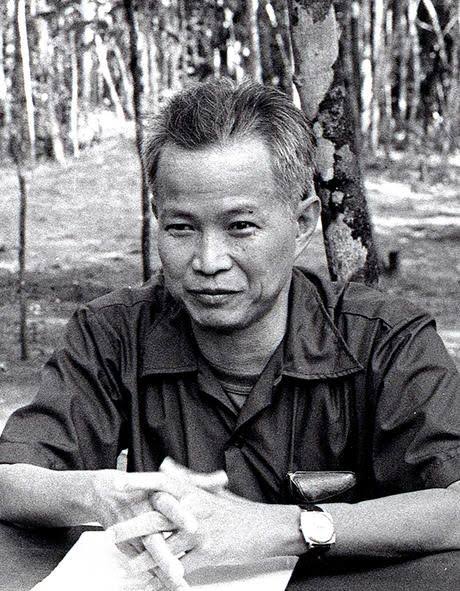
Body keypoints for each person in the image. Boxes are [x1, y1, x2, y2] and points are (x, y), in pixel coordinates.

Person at [0, 78, 459, 591]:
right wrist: (100, 494)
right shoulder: (114, 332)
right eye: (181, 228)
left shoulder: (385, 340)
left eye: (240, 226)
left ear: (302, 222)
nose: (208, 261)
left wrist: (282, 528)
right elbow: (10, 478)